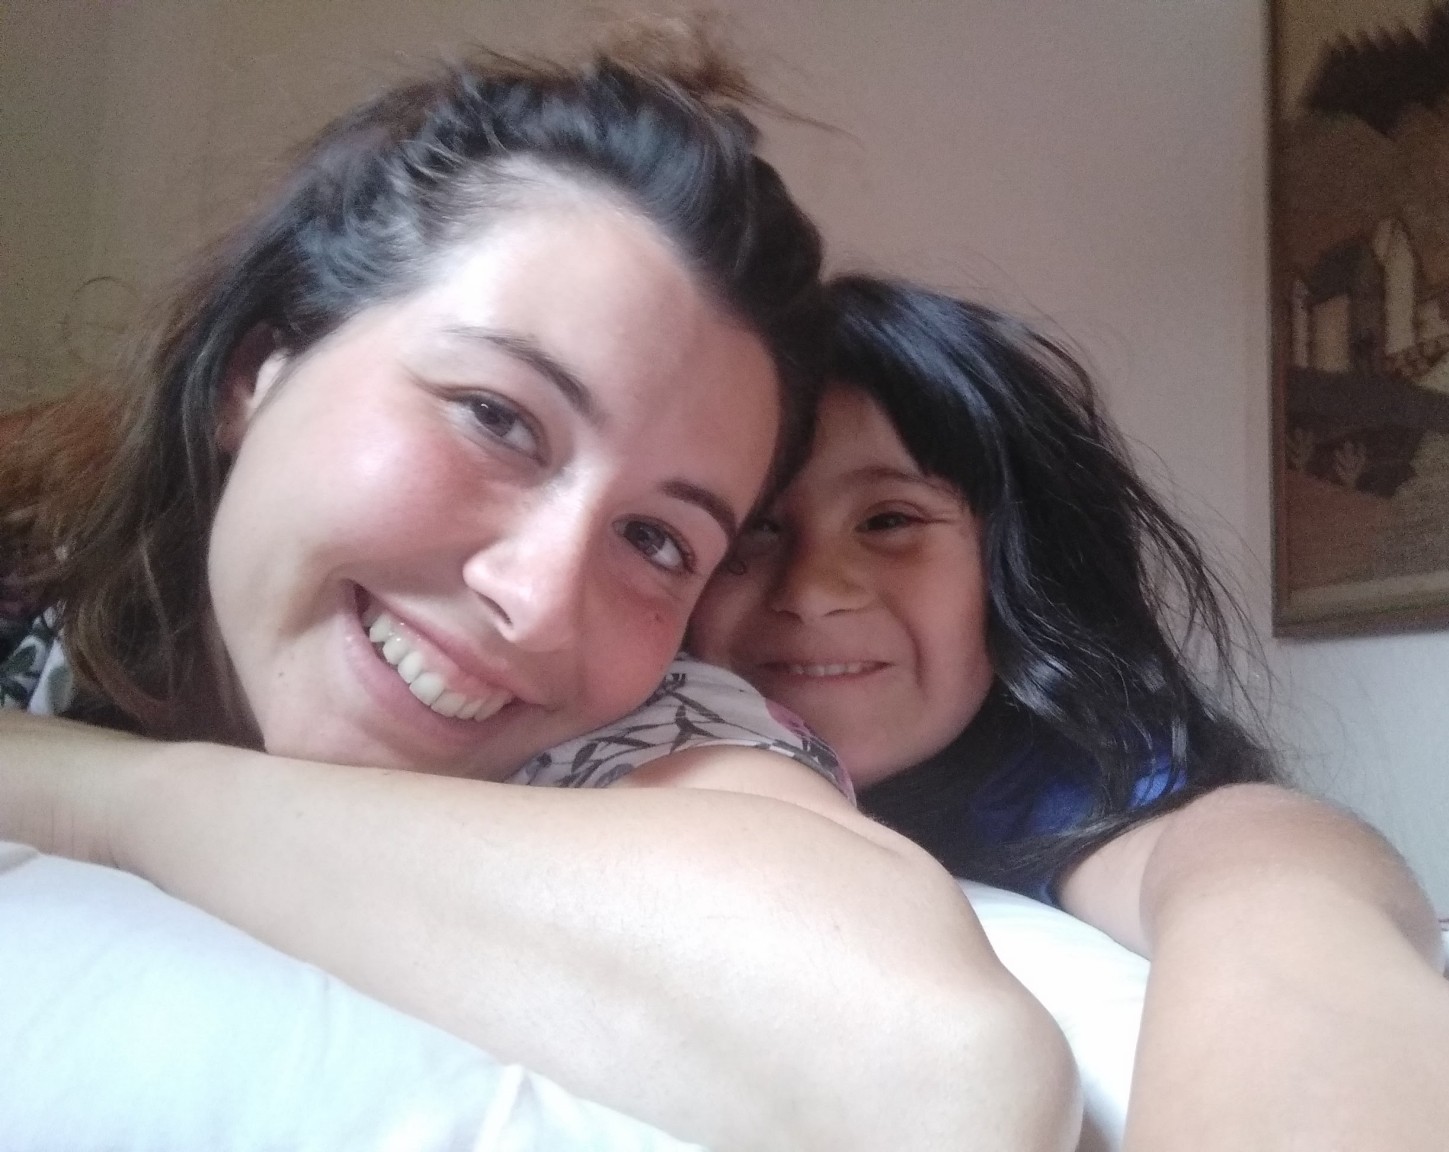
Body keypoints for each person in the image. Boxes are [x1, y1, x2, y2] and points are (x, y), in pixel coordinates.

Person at [0, 42, 1078, 1152]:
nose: (542, 601)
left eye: (656, 539)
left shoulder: (645, 733)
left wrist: (94, 793)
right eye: (497, 417)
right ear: (258, 370)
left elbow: (943, 1073)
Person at [689, 274, 1449, 1151]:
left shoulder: (1028, 774)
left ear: (1014, 569)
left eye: (890, 519)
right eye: (755, 527)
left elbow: (1222, 841)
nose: (814, 590)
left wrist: (1293, 952)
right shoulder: (626, 743)